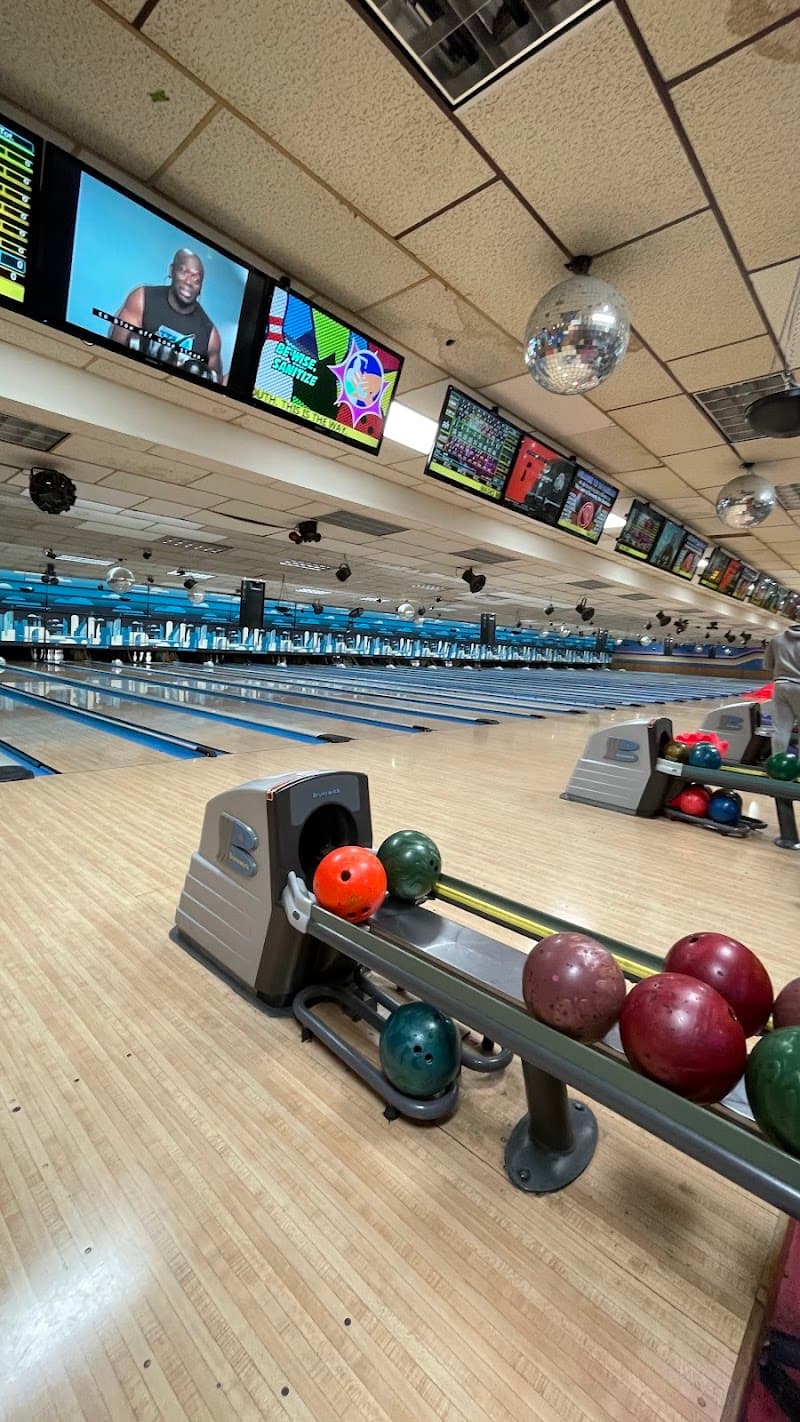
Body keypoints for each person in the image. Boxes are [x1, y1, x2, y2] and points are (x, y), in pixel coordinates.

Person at [110, 248, 222, 381]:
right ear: (171, 271)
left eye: (196, 279)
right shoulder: (142, 298)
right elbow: (113, 348)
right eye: (184, 272)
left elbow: (215, 385)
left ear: (201, 287)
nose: (188, 282)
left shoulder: (211, 335)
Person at [763, 624, 800, 751]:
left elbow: (767, 665)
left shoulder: (776, 639)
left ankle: (777, 763)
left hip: (781, 685)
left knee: (781, 729)